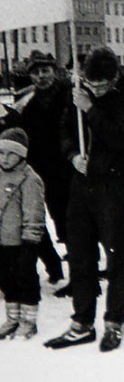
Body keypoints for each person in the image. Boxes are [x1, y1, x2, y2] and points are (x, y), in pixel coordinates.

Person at [44, 47, 124, 352]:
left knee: (116, 255)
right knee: (80, 253)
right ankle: (82, 321)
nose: (97, 89)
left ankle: (114, 321)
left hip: (116, 183)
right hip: (82, 181)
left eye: (103, 85)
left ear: (115, 77)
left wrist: (91, 109)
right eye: (92, 84)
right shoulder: (79, 91)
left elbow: (121, 137)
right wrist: (73, 156)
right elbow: (64, 131)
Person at [14, 51, 68, 286]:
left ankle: (84, 270)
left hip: (68, 168)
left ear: (54, 71)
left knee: (72, 220)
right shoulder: (30, 104)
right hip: (42, 171)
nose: (41, 76)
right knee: (49, 217)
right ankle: (58, 267)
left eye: (45, 71)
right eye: (36, 73)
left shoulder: (68, 96)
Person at [0, 128, 46, 340]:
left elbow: (34, 213)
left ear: (21, 155)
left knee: (25, 280)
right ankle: (12, 317)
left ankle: (28, 321)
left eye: (11, 154)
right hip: (3, 241)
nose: (5, 158)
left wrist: (31, 241)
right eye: (1, 153)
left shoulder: (29, 179)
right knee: (6, 280)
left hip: (21, 242)